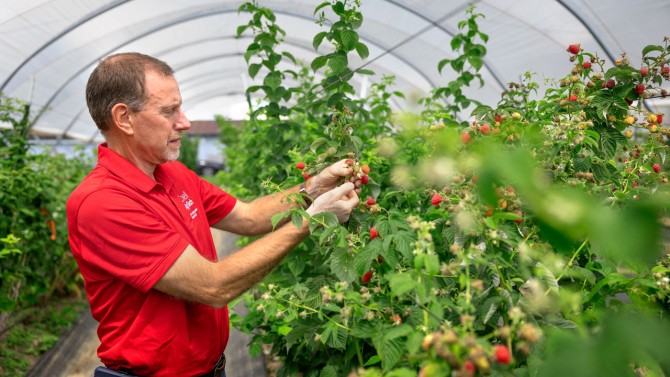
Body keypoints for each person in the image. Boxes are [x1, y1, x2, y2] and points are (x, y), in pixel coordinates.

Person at [66, 52, 360, 377]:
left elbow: (248, 216)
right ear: (124, 118)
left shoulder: (172, 174)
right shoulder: (102, 202)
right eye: (169, 111)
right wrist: (312, 219)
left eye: (180, 106)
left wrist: (311, 191)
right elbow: (213, 286)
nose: (185, 121)